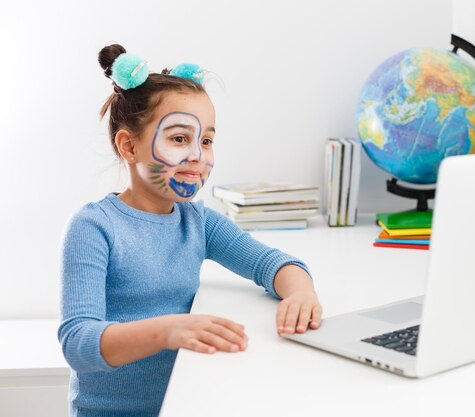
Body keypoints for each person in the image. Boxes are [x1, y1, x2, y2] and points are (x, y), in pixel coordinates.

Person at [58, 44, 322, 417]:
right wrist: (168, 331)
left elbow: (272, 263)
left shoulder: (197, 221)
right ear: (129, 146)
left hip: (184, 404)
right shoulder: (93, 227)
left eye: (207, 140)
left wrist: (300, 293)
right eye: (180, 138)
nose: (198, 155)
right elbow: (78, 343)